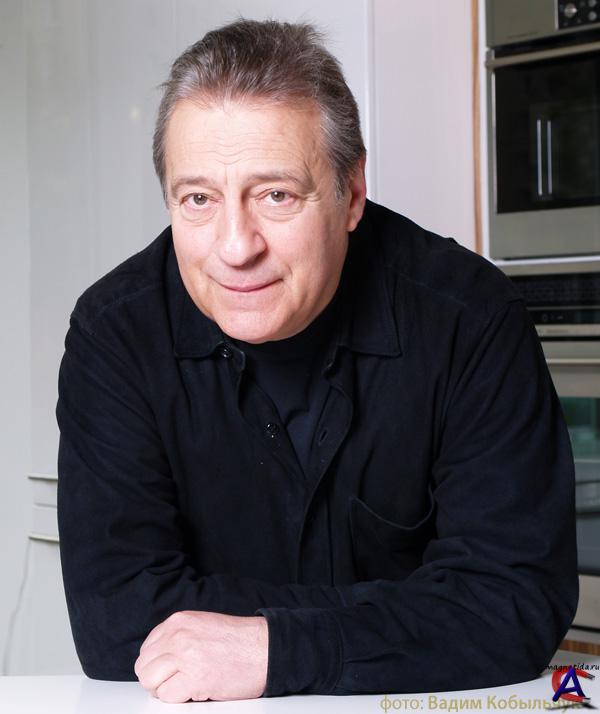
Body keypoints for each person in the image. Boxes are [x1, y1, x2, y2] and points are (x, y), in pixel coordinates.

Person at [56, 18, 578, 704]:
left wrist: (276, 647)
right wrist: (409, 620)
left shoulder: (470, 319)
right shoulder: (114, 334)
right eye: (199, 199)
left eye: (276, 195)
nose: (235, 247)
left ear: (351, 194)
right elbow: (116, 622)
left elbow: (512, 604)